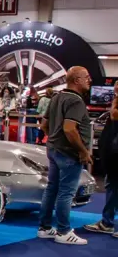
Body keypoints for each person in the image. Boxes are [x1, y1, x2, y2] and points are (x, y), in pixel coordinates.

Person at [37, 67, 94, 245]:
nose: (89, 80)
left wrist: (54, 140)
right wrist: (83, 151)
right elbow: (69, 129)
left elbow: (44, 125)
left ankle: (45, 228)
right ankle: (63, 231)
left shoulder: (56, 97)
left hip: (54, 150)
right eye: (86, 77)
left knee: (52, 188)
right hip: (69, 154)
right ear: (76, 80)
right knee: (66, 192)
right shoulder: (75, 101)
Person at [82, 91, 118, 236]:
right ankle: (106, 222)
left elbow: (114, 114)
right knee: (113, 187)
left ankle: (107, 222)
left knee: (113, 187)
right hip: (113, 157)